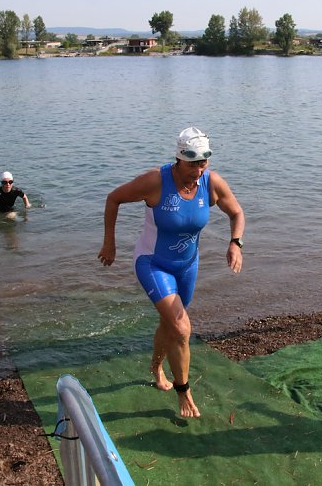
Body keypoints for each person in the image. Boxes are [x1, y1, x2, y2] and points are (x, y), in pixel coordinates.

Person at [97, 127, 245, 418]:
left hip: (188, 266)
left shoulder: (211, 183)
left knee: (170, 325)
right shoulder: (155, 181)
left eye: (204, 163)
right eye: (192, 163)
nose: (199, 170)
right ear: (179, 159)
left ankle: (155, 367)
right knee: (181, 328)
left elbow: (237, 213)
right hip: (153, 263)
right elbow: (113, 199)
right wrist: (109, 243)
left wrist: (235, 243)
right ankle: (184, 391)